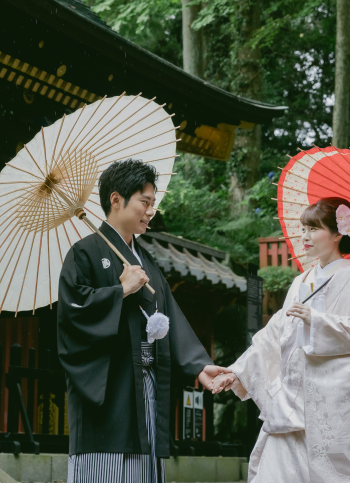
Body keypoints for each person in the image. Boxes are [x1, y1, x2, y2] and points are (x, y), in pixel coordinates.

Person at [57, 159, 230, 483]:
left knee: (144, 468)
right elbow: (72, 312)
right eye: (144, 202)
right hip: (108, 389)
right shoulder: (84, 254)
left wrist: (198, 366)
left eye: (153, 203)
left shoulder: (145, 260)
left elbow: (170, 318)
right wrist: (119, 290)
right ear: (116, 199)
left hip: (145, 385)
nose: (150, 211)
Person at [210, 197, 350, 483]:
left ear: (338, 233)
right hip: (292, 398)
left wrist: (316, 320)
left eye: (313, 229)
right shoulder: (300, 282)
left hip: (336, 404)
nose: (305, 236)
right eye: (303, 228)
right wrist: (237, 371)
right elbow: (274, 335)